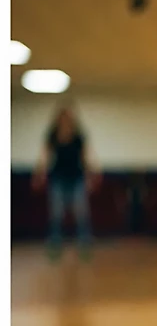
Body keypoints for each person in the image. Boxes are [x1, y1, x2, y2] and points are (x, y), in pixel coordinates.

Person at [32, 105, 100, 261]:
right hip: (58, 179)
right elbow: (45, 155)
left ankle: (85, 246)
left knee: (82, 213)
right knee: (56, 214)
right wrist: (39, 173)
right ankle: (55, 246)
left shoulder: (78, 136)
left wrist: (92, 172)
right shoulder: (53, 135)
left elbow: (85, 156)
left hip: (77, 178)